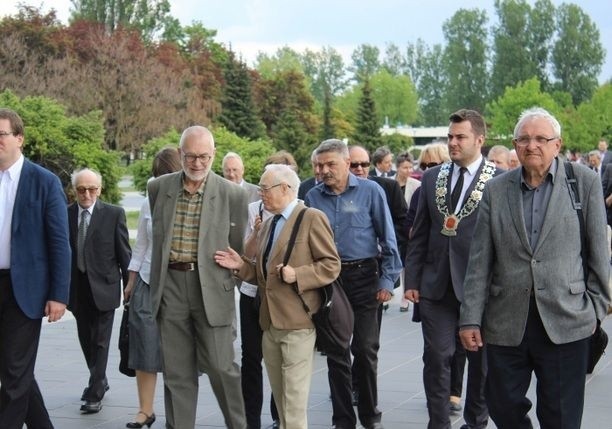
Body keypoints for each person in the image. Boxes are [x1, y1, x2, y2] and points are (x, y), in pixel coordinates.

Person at [459, 107, 611, 429]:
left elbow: (599, 253)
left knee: (561, 416)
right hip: (506, 320)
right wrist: (470, 317)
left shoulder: (582, 182)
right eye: (524, 139)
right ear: (514, 145)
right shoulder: (496, 190)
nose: (532, 145)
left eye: (542, 138)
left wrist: (595, 310)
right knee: (502, 407)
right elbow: (480, 260)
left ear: (557, 144)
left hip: (566, 320)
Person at [215, 164, 341, 429]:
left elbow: (331, 265)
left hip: (298, 323)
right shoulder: (269, 223)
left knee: (293, 405)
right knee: (283, 403)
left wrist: (299, 274)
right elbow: (263, 276)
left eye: (265, 188)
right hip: (269, 324)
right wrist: (240, 265)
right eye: (260, 188)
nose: (261, 194)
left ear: (285, 188)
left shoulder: (311, 217)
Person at [147, 125, 248, 428]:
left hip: (213, 289)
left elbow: (238, 249)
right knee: (177, 374)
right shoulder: (158, 188)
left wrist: (237, 274)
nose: (197, 164)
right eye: (190, 157)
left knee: (221, 367)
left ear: (213, 154)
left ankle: (238, 425)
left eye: (204, 156)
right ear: (180, 154)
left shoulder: (232, 194)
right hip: (171, 287)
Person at [404, 109, 496, 429]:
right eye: (450, 137)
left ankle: (476, 421)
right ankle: (439, 423)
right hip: (436, 286)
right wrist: (412, 278)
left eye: (461, 137)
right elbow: (420, 233)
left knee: (481, 363)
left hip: (481, 289)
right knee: (436, 357)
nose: (453, 143)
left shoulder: (499, 182)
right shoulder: (431, 179)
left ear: (480, 140)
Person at [305, 139, 402, 429]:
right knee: (336, 352)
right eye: (319, 165)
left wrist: (387, 280)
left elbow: (389, 239)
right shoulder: (312, 196)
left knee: (365, 349)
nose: (323, 170)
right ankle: (343, 419)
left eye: (330, 164)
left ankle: (370, 415)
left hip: (363, 277)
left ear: (347, 163)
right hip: (329, 281)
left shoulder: (371, 191)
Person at [0, 108, 71, 428]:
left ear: (19, 139)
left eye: (1, 135)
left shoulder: (44, 182)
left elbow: (59, 243)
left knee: (14, 376)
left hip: (23, 292)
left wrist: (59, 295)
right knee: (14, 370)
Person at [122, 147, 181, 428]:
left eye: (166, 176)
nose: (160, 183)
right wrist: (131, 281)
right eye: (157, 178)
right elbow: (142, 245)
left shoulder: (192, 201)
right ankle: (145, 410)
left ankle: (178, 412)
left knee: (176, 351)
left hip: (179, 284)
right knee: (144, 345)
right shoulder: (149, 201)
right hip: (147, 280)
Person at [237, 151, 296, 429]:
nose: (265, 191)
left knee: (281, 358)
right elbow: (247, 254)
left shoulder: (301, 211)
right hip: (253, 292)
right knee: (251, 357)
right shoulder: (254, 209)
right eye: (263, 185)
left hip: (282, 298)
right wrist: (256, 234)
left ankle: (278, 416)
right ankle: (251, 420)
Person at [68, 168, 131, 414]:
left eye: (92, 189)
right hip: (77, 288)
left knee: (101, 341)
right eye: (81, 189)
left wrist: (129, 285)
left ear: (100, 189)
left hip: (105, 287)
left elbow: (124, 253)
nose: (87, 194)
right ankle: (100, 379)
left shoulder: (114, 214)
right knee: (86, 339)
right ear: (75, 191)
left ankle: (94, 393)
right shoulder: (65, 214)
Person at [394, 151, 421, 312]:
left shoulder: (415, 185)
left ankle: (405, 295)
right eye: (405, 167)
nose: (408, 170)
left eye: (411, 167)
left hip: (409, 228)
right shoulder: (390, 183)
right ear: (398, 168)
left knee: (406, 262)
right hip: (394, 228)